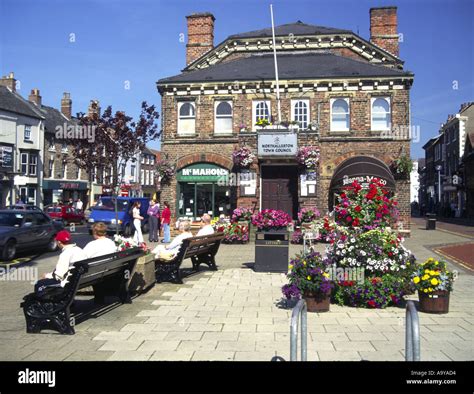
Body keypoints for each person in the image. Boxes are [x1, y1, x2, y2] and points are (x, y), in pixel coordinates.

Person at [34, 230, 87, 295]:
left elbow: (58, 276)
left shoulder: (65, 253)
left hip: (69, 282)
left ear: (59, 242)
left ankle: (43, 303)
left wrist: (47, 275)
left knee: (39, 284)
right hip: (81, 279)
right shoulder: (79, 249)